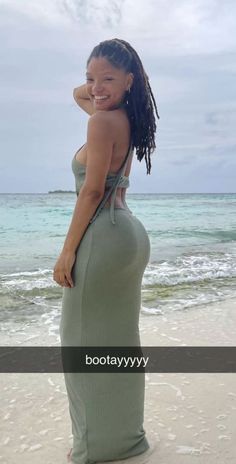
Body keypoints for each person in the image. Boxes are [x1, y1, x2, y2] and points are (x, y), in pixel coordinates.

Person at [53, 38, 160, 464]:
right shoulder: (123, 117)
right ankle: (125, 437)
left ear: (130, 80)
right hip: (129, 235)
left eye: (108, 79)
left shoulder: (101, 124)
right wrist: (105, 82)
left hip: (102, 237)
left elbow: (92, 190)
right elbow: (82, 96)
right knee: (119, 343)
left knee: (79, 342)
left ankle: (96, 447)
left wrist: (66, 253)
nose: (95, 88)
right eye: (90, 78)